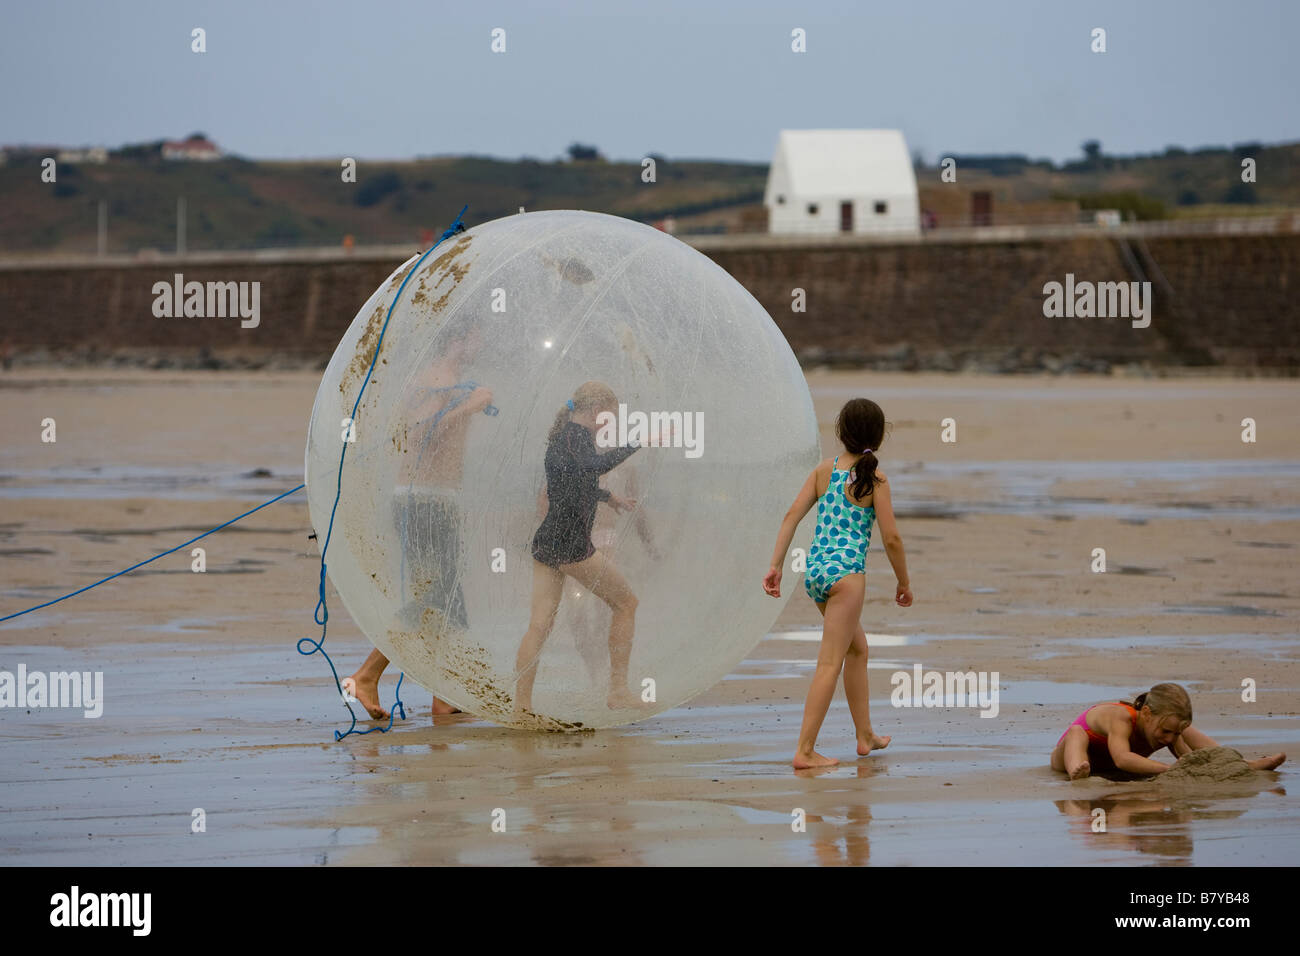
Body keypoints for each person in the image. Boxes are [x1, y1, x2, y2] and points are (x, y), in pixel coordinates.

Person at [343, 325, 490, 720]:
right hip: (422, 500)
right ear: (458, 340)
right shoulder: (437, 378)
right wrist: (470, 406)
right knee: (436, 597)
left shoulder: (451, 380)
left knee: (448, 602)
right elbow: (422, 432)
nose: (481, 346)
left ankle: (442, 696)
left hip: (437, 498)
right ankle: (367, 674)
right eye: (476, 337)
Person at [762, 398, 912, 769]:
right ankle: (806, 750)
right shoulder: (875, 480)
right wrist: (904, 582)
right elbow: (892, 539)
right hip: (846, 578)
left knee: (857, 650)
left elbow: (791, 516)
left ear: (841, 433)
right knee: (829, 663)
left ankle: (865, 735)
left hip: (815, 575)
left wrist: (776, 565)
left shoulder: (823, 471)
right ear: (878, 437)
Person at [513, 381, 668, 717]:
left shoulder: (566, 436)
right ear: (596, 411)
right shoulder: (576, 436)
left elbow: (571, 480)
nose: (608, 424)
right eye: (608, 418)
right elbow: (591, 469)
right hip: (570, 544)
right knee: (626, 603)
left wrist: (609, 498)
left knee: (539, 625)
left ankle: (521, 707)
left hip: (549, 540)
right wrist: (641, 440)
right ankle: (618, 691)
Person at [1051, 682, 1286, 779]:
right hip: (1076, 755)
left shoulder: (1168, 731)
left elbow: (1188, 760)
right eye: (1166, 731)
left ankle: (1236, 761)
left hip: (1112, 765)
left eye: (1174, 734)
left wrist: (1196, 763)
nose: (1170, 738)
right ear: (1146, 715)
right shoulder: (1122, 718)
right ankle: (1077, 772)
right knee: (1076, 733)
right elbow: (1122, 759)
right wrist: (1169, 769)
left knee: (1187, 731)